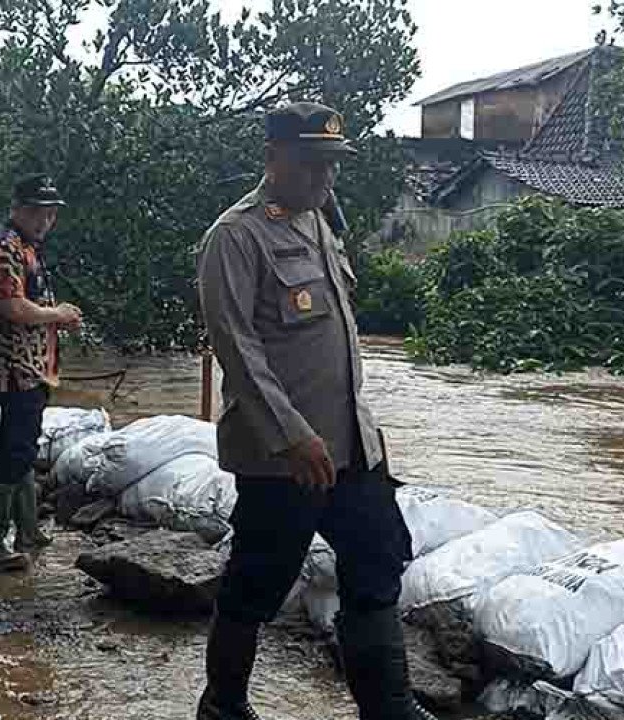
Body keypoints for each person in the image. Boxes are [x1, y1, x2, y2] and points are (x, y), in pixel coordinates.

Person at [196, 102, 435, 720]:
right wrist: (292, 436)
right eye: (312, 164)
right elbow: (239, 350)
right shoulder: (237, 236)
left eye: (332, 166)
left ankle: (389, 705)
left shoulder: (320, 222)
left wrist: (360, 433)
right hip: (284, 455)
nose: (325, 179)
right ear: (273, 158)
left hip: (350, 443)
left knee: (379, 552)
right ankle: (223, 704)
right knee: (260, 580)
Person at [0, 174, 82, 573]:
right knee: (17, 449)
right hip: (16, 365)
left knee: (25, 443)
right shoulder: (3, 248)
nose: (45, 220)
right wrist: (60, 314)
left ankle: (28, 529)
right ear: (17, 208)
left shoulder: (26, 246)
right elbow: (13, 308)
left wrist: (56, 316)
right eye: (37, 212)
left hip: (35, 365)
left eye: (51, 213)